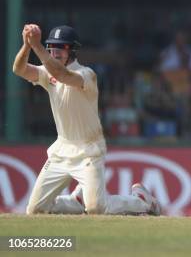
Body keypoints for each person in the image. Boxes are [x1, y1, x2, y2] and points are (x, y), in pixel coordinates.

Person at [13, 24, 161, 215]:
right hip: (61, 150)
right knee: (35, 210)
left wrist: (38, 46)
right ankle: (75, 201)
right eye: (52, 47)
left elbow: (62, 74)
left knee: (96, 208)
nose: (55, 52)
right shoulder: (46, 72)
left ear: (72, 50)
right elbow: (19, 69)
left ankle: (141, 201)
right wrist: (26, 45)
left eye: (62, 47)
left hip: (88, 150)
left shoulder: (86, 74)